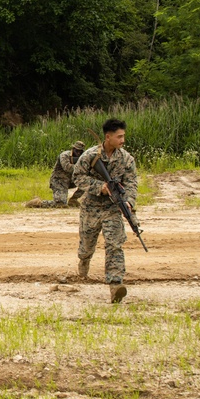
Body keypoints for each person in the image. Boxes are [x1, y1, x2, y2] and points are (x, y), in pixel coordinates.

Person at [72, 119, 138, 304]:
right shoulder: (90, 155)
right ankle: (84, 260)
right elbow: (77, 177)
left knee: (114, 244)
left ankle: (115, 284)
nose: (123, 140)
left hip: (112, 208)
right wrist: (99, 186)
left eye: (123, 136)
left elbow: (132, 182)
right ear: (108, 137)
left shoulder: (126, 159)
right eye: (119, 136)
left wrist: (129, 202)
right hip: (91, 208)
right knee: (87, 245)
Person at [27, 141, 86, 208]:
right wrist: (82, 165)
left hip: (70, 181)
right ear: (73, 149)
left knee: (87, 182)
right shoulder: (64, 155)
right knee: (60, 204)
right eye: (77, 151)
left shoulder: (83, 158)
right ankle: (38, 203)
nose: (78, 153)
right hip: (59, 181)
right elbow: (67, 168)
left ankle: (73, 200)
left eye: (80, 151)